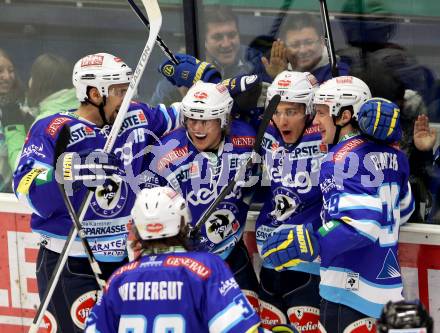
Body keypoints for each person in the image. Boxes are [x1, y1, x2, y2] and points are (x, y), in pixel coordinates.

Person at [13, 52, 180, 333]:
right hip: (71, 262)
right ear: (93, 93)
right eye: (119, 91)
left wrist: (216, 87)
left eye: (128, 89)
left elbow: (185, 117)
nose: (127, 98)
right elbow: (25, 187)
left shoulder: (136, 115)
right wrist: (65, 177)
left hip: (127, 260)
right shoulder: (53, 129)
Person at [261, 77, 415, 332]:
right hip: (387, 293)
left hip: (348, 295)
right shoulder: (393, 155)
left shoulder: (341, 158)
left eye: (321, 112)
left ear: (344, 115)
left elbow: (362, 225)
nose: (316, 121)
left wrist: (312, 239)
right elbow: (405, 210)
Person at [144, 80, 261, 311]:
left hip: (232, 253)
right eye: (192, 119)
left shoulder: (246, 140)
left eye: (205, 120)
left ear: (224, 120)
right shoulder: (165, 154)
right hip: (186, 261)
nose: (197, 128)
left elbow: (253, 187)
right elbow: (149, 212)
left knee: (247, 320)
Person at [255, 70, 325, 331]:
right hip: (270, 261)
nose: (282, 120)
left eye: (291, 112)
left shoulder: (328, 137)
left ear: (309, 110)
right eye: (277, 111)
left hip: (310, 264)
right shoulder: (267, 129)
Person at [150, 5, 267, 106]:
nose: (226, 44)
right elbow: (155, 117)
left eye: (232, 35)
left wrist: (274, 74)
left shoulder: (254, 59)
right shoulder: (181, 72)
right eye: (218, 37)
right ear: (203, 41)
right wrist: (182, 100)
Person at [5, 53, 79, 171]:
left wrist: (13, 127)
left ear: (38, 83)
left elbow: (23, 168)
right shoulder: (84, 108)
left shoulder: (45, 123)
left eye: (32, 77)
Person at [262, 13, 350, 83]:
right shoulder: (274, 70)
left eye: (309, 42)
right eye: (295, 45)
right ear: (284, 47)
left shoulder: (338, 74)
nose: (303, 50)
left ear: (322, 42)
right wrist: (279, 78)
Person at [0, 48, 28, 192]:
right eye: (0, 71)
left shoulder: (24, 106)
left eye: (10, 71)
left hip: (13, 190)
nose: (7, 76)